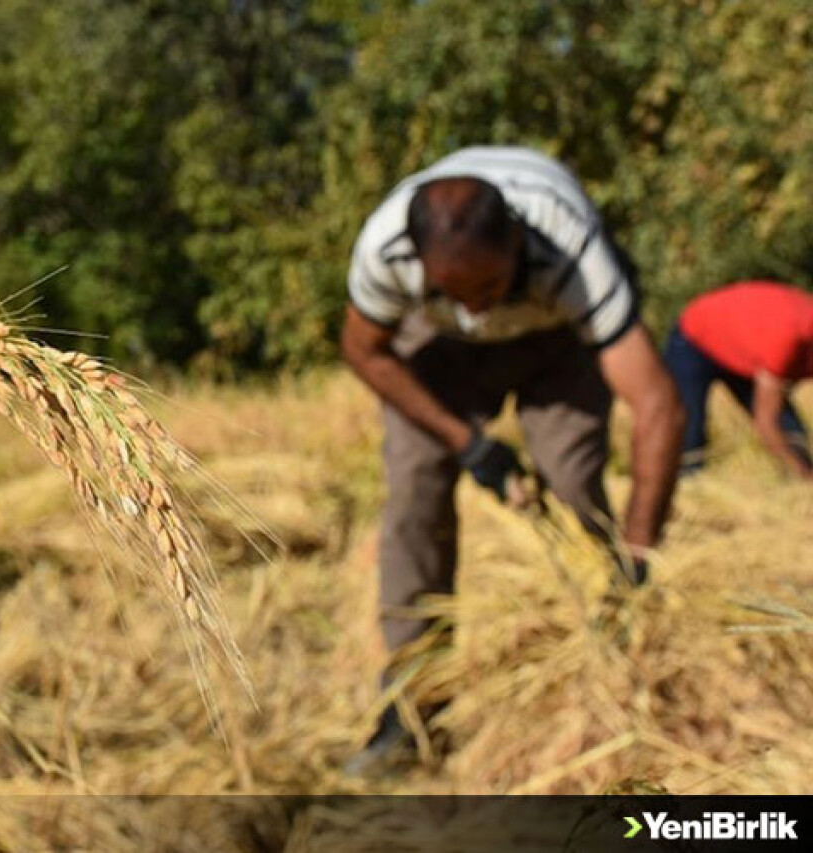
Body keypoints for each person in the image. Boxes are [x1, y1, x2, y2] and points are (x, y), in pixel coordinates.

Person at [339, 146, 684, 773]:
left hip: (557, 341)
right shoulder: (384, 250)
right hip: (436, 350)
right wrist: (465, 441)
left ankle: (623, 646)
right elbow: (364, 352)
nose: (477, 312)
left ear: (519, 242)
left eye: (490, 287)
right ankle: (412, 708)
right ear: (420, 266)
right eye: (455, 292)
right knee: (415, 494)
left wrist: (640, 556)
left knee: (574, 481)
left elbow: (659, 405)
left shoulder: (573, 251)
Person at [664, 281, 813, 479]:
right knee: (689, 436)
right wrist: (804, 475)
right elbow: (766, 423)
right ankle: (687, 493)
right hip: (694, 338)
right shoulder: (786, 338)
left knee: (792, 433)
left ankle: (796, 480)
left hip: (745, 348)